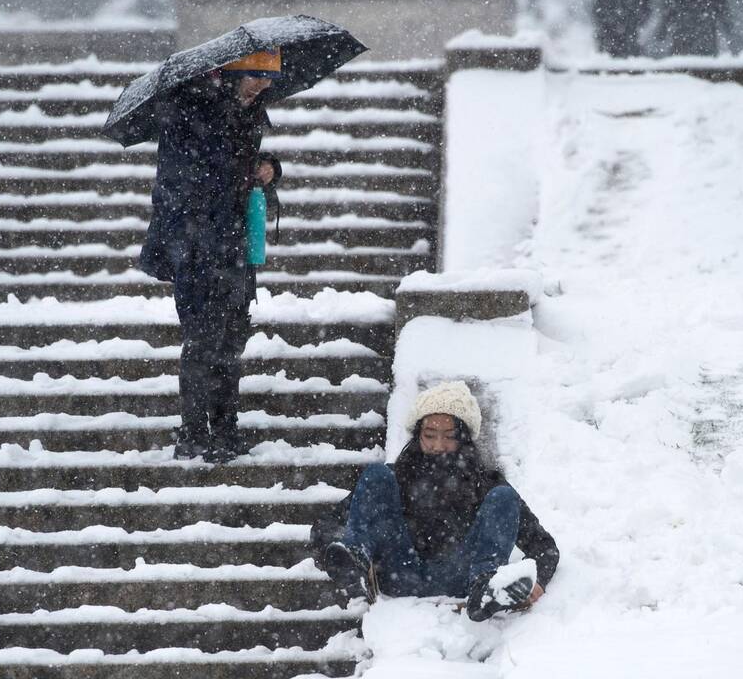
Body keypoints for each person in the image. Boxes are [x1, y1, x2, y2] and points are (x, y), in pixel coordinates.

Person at [139, 49, 284, 463]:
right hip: (198, 246)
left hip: (234, 246)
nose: (262, 85)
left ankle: (225, 429)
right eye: (254, 76)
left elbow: (239, 169)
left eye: (268, 78)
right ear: (231, 74)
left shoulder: (248, 113)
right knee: (203, 340)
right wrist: (236, 173)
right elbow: (182, 180)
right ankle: (192, 431)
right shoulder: (190, 110)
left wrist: (267, 167)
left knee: (230, 340)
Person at [313, 381, 559, 621]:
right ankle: (357, 561)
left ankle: (486, 589)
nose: (438, 445)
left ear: (464, 439)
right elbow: (326, 526)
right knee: (376, 474)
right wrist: (340, 549)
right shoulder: (394, 477)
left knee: (504, 497)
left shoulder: (486, 482)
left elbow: (544, 547)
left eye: (449, 437)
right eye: (430, 435)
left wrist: (537, 581)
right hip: (399, 571)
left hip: (461, 576)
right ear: (418, 435)